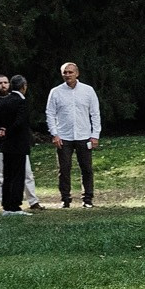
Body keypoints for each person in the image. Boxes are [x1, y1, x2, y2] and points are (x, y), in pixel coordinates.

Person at [0, 75, 40, 211]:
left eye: (6, 82)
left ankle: (32, 200)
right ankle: (6, 202)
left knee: (26, 172)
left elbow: (20, 122)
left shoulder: (13, 100)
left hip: (16, 142)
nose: (3, 85)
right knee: (1, 173)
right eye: (0, 83)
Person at [45, 62, 101, 208]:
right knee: (64, 169)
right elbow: (50, 114)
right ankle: (65, 199)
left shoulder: (88, 91)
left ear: (77, 73)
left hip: (84, 136)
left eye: (70, 72)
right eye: (65, 72)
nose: (68, 75)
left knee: (87, 169)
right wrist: (54, 134)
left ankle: (87, 199)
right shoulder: (56, 92)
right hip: (64, 137)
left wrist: (95, 135)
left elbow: (95, 114)